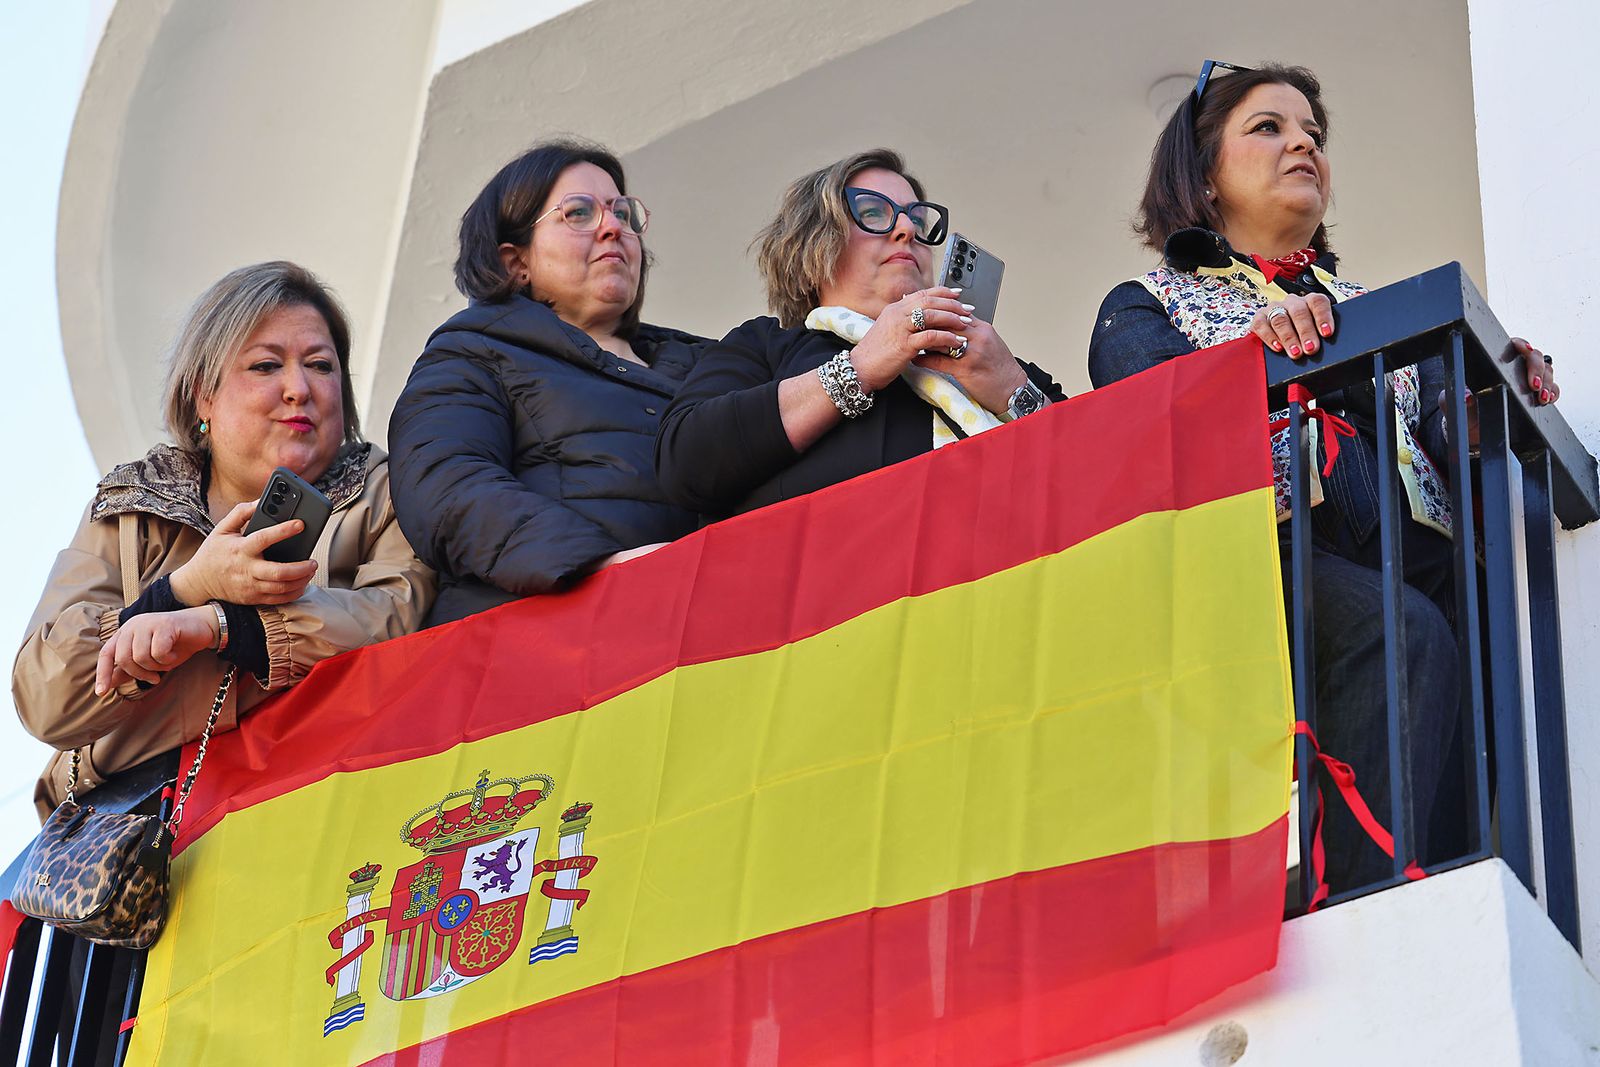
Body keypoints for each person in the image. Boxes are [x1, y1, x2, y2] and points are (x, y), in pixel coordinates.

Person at [1086, 62, 1560, 893]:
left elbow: (1450, 423)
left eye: (1312, 131)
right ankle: (1373, 901)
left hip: (1410, 554)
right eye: (1268, 127)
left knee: (1464, 644)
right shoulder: (1146, 300)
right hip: (1257, 561)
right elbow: (1149, 419)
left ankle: (1443, 888)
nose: (1302, 141)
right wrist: (1253, 354)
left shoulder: (1371, 303)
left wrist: (1498, 384)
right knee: (1400, 630)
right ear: (1203, 172)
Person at [14, 262, 435, 816]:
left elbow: (398, 622)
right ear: (202, 397)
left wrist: (219, 626)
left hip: (329, 804)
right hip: (139, 833)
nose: (298, 389)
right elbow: (48, 699)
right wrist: (183, 590)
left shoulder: (387, 489)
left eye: (320, 365)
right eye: (266, 365)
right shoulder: (132, 505)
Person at [388, 140, 706, 625]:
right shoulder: (471, 353)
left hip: (702, 625)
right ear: (517, 263)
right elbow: (446, 484)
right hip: (552, 642)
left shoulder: (710, 360)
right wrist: (597, 568)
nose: (613, 227)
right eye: (579, 213)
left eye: (622, 212)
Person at [656, 148, 1063, 519]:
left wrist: (1013, 389)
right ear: (813, 245)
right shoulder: (765, 348)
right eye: (872, 212)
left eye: (918, 220)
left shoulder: (989, 359)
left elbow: (1092, 467)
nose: (906, 228)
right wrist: (860, 367)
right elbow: (686, 463)